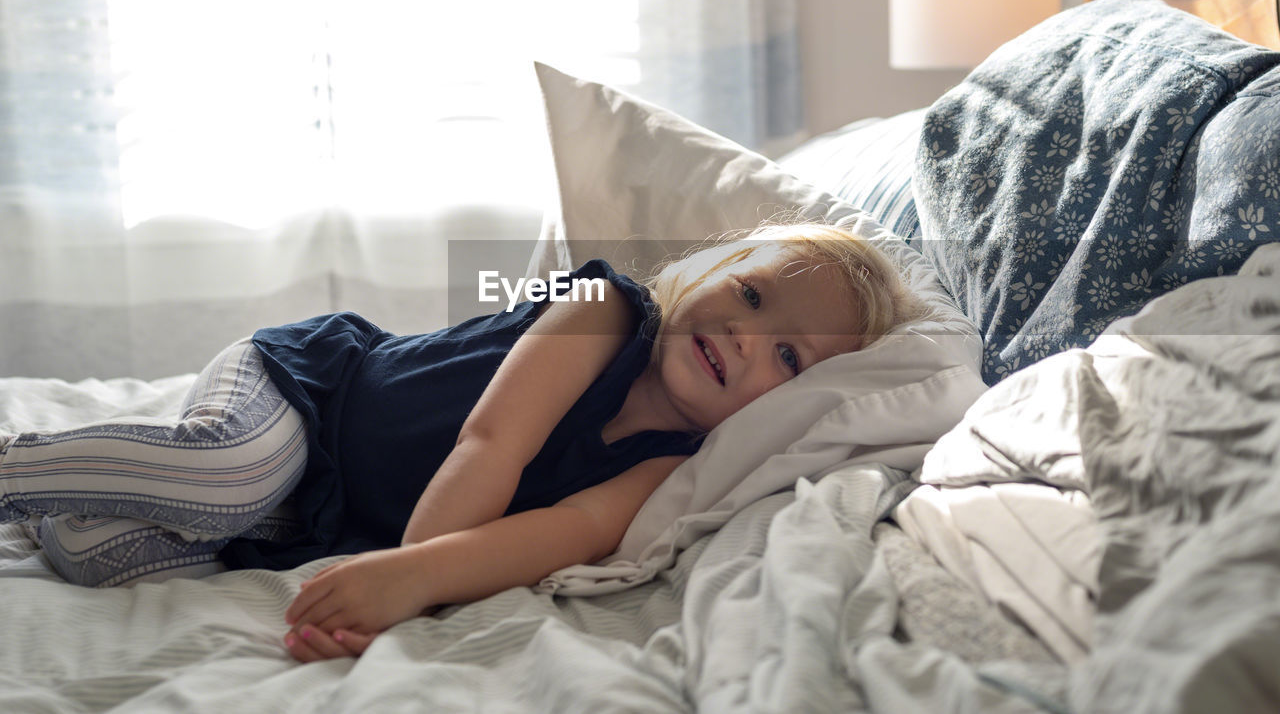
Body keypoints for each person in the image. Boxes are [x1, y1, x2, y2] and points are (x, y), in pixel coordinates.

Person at [0, 221, 922, 662]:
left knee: (96, 555)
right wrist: (407, 582)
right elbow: (490, 446)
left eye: (790, 356)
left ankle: (69, 496)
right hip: (307, 396)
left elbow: (548, 536)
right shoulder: (603, 310)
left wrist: (399, 593)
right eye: (753, 296)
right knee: (231, 471)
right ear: (713, 272)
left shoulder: (667, 476)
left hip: (309, 515)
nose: (747, 338)